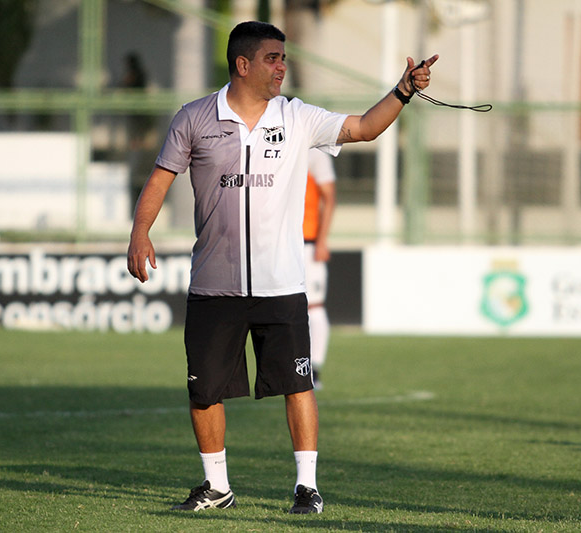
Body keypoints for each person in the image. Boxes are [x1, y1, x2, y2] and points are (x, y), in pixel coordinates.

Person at [127, 21, 437, 514]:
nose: (282, 67)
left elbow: (362, 127)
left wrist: (402, 91)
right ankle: (216, 486)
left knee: (298, 385)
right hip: (213, 285)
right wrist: (140, 231)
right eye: (273, 58)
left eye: (284, 57)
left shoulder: (297, 118)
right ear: (242, 65)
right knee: (205, 390)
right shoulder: (193, 118)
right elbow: (161, 177)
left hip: (282, 284)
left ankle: (306, 487)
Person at [304, 148, 336, 391]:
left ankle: (314, 370)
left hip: (306, 242)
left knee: (313, 306)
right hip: (275, 245)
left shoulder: (314, 153)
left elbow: (329, 196)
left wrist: (322, 241)